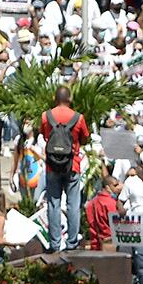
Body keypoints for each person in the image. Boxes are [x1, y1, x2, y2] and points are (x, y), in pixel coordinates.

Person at [39, 89, 89, 252]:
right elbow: (84, 138)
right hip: (72, 164)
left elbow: (46, 136)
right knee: (73, 204)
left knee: (53, 203)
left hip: (52, 165)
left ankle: (54, 243)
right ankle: (72, 242)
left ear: (55, 98)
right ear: (70, 98)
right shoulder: (78, 117)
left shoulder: (46, 116)